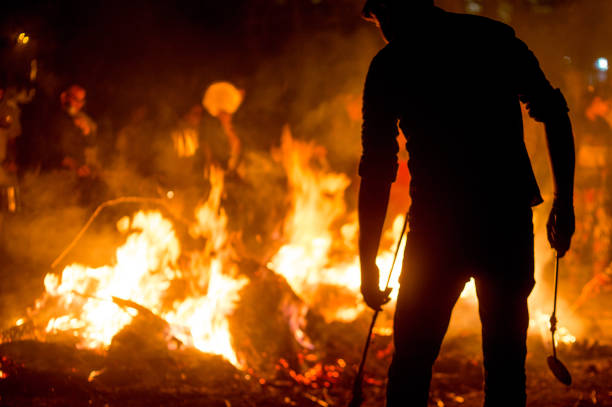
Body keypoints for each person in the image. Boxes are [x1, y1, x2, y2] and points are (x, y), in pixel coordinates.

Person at [357, 1, 575, 406]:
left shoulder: (391, 64)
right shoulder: (492, 40)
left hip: (440, 229)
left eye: (383, 17)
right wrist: (564, 199)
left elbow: (377, 168)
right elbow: (554, 114)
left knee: (412, 364)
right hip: (503, 220)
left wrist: (367, 258)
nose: (383, 28)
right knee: (505, 364)